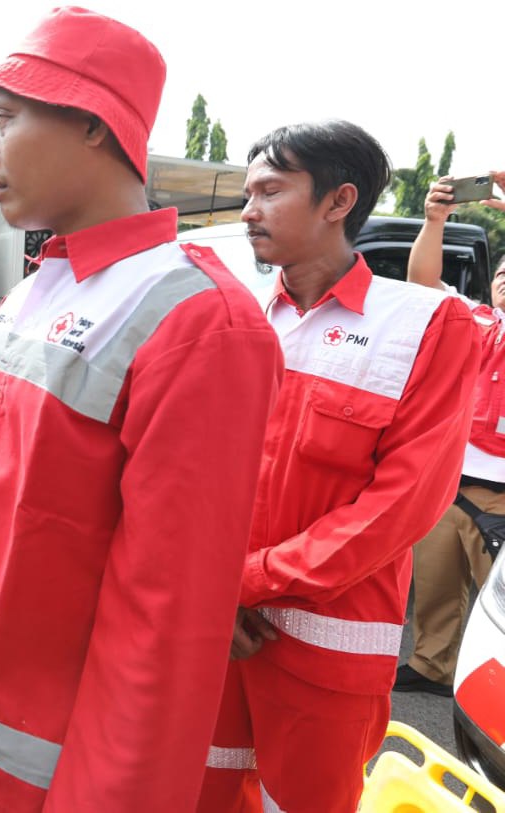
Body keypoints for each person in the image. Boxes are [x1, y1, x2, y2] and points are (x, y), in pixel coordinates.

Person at [0, 8, 284, 810]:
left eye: (5, 118)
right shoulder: (39, 287)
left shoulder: (195, 319)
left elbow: (165, 629)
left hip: (45, 774)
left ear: (95, 126)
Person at [197, 123, 479, 813]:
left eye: (269, 190)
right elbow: (191, 472)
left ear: (337, 201)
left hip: (327, 655)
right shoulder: (233, 319)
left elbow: (403, 503)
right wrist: (206, 589)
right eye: (246, 193)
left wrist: (247, 581)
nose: (247, 211)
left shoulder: (422, 324)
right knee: (197, 792)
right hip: (214, 635)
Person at [395, 170, 505, 697]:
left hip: (502, 500)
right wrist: (435, 219)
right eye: (503, 271)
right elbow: (421, 283)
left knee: (498, 610)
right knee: (436, 587)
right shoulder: (476, 321)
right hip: (450, 484)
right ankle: (430, 665)